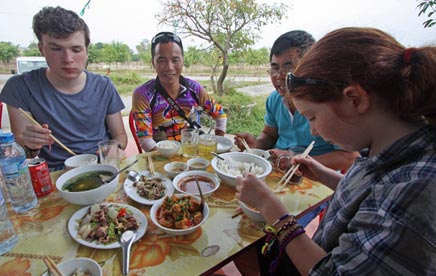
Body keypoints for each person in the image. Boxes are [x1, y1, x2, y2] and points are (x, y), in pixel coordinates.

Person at [236, 27, 436, 275]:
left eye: (313, 117)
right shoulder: (386, 149)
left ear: (355, 99)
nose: (313, 132)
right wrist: (324, 175)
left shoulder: (415, 191)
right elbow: (370, 197)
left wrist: (271, 208)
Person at [0, 6, 127, 170]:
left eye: (76, 50)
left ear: (87, 50)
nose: (68, 59)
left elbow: (119, 135)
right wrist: (31, 146)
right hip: (55, 173)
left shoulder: (104, 86)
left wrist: (115, 149)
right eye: (56, 49)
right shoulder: (20, 87)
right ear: (41, 48)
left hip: (101, 166)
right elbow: (25, 154)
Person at [234, 30, 358, 172]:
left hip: (317, 180)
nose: (279, 76)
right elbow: (269, 135)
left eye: (288, 67)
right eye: (274, 68)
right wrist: (257, 144)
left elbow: (349, 158)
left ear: (310, 67)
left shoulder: (324, 104)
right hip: (279, 172)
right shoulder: (274, 99)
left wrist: (296, 159)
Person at [132, 31, 227, 152]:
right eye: (162, 60)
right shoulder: (143, 95)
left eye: (175, 60)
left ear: (182, 60)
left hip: (191, 154)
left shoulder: (194, 88)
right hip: (161, 156)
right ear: (153, 62)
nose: (169, 67)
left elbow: (220, 115)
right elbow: (145, 140)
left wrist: (217, 146)